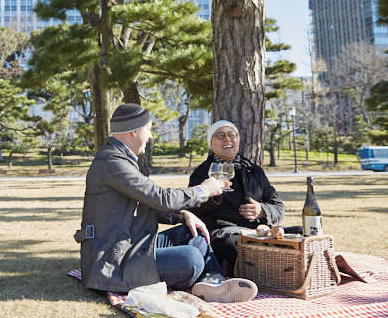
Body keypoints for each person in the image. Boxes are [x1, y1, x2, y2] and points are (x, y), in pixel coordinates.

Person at [75, 104, 258, 303]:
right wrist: (204, 190)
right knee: (191, 258)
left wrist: (182, 215)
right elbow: (160, 197)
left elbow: (146, 204)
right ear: (134, 131)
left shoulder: (120, 159)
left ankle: (214, 283)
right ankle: (205, 280)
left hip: (130, 244)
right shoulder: (112, 162)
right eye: (148, 129)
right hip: (112, 263)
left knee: (193, 232)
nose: (151, 136)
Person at [188, 120, 286, 276]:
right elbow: (193, 210)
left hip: (259, 231)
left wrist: (262, 211)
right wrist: (212, 196)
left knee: (300, 234)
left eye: (232, 135)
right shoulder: (202, 173)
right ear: (211, 144)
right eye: (220, 136)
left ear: (238, 141)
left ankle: (282, 273)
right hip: (225, 234)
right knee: (234, 245)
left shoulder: (254, 171)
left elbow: (278, 207)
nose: (227, 139)